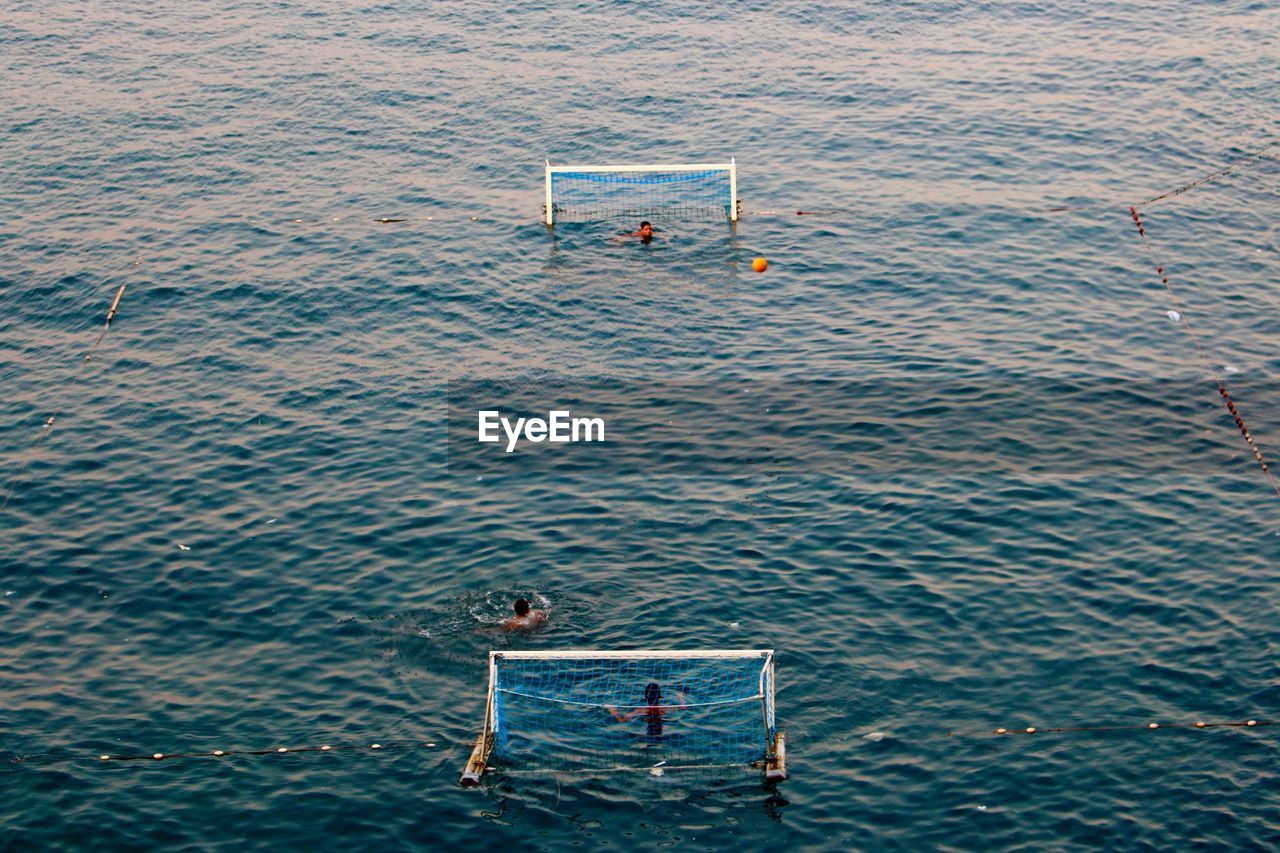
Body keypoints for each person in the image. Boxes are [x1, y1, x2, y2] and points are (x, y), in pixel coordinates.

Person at [607, 682, 688, 738]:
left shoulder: (640, 710)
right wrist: (680, 697)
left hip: (646, 732)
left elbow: (622, 720)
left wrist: (613, 711)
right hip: (662, 731)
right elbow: (683, 707)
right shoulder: (664, 709)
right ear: (660, 696)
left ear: (645, 696)